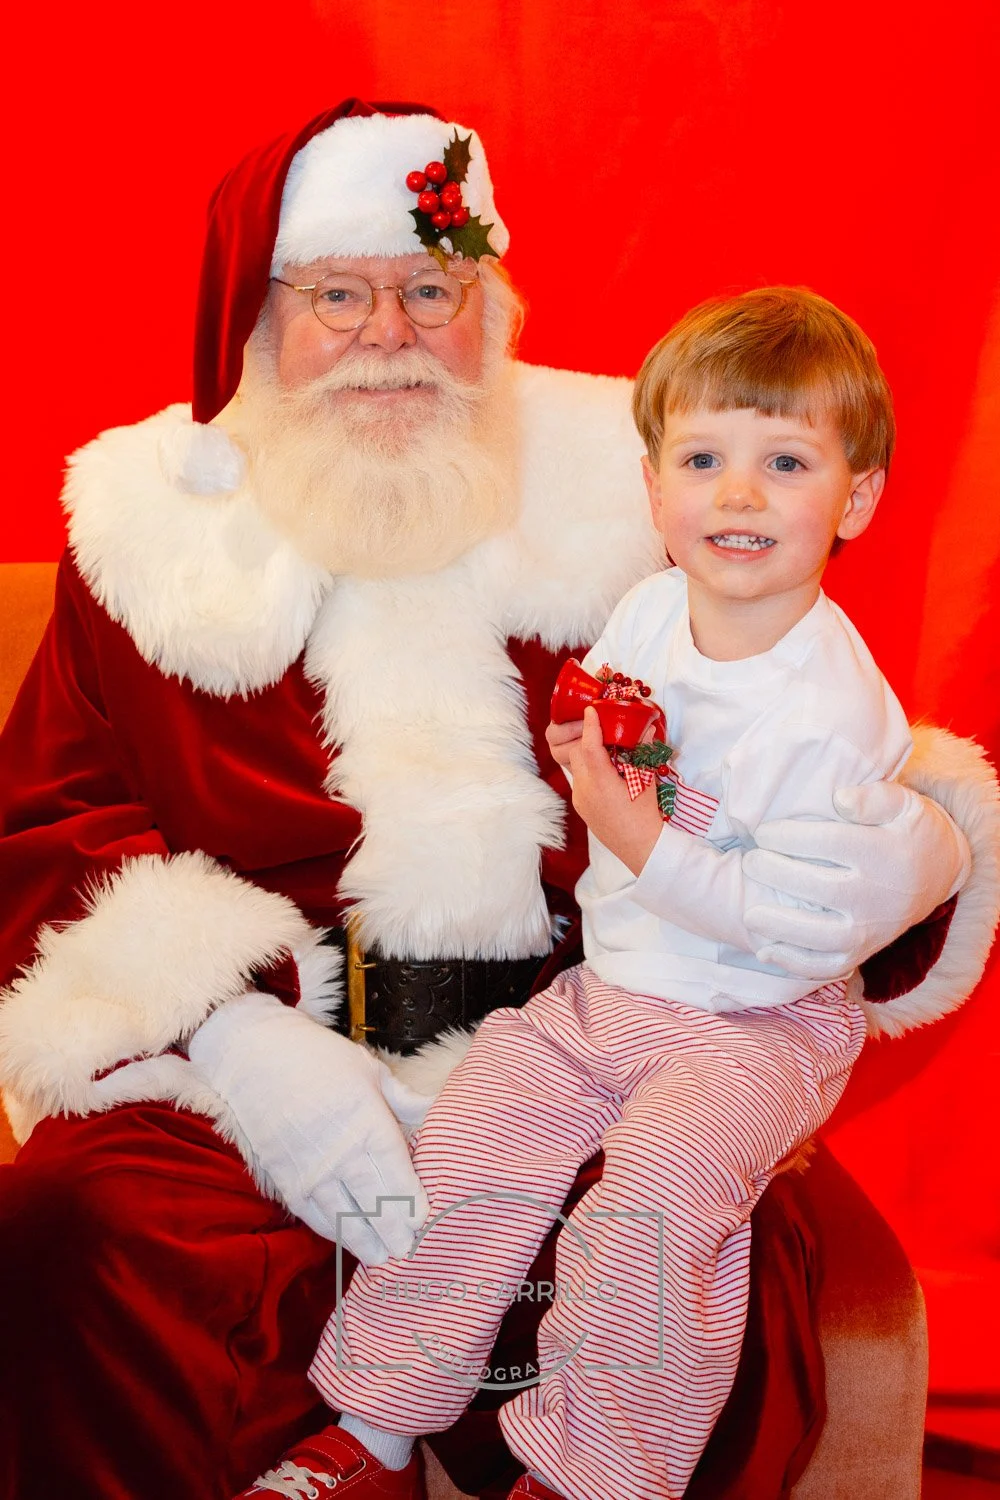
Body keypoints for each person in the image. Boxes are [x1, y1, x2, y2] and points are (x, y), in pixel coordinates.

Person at [0, 101, 992, 1500]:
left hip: (594, 1041)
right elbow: (56, 822)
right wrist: (232, 1039)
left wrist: (920, 849)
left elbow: (798, 737)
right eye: (338, 294)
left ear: (492, 305)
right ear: (258, 318)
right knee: (82, 1226)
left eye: (433, 288)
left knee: (682, 1249)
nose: (391, 331)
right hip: (256, 1065)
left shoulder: (640, 492)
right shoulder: (146, 540)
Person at [229, 287, 921, 1500]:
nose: (739, 495)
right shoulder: (652, 610)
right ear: (654, 489)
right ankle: (378, 1424)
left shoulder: (831, 712)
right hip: (614, 992)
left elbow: (802, 917)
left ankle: (593, 1474)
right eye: (703, 459)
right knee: (471, 1146)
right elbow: (607, 722)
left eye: (786, 462)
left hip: (757, 1019)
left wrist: (638, 833)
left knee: (655, 1197)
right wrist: (584, 738)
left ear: (853, 498)